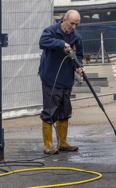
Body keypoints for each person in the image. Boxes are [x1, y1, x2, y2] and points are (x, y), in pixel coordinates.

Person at [38, 10, 84, 154]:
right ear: (64, 19)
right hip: (51, 78)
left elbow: (80, 55)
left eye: (77, 24)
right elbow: (42, 42)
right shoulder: (51, 31)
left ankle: (63, 143)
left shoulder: (76, 37)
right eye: (72, 23)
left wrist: (79, 66)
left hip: (66, 79)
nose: (74, 27)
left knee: (65, 111)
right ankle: (48, 145)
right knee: (50, 111)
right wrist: (61, 43)